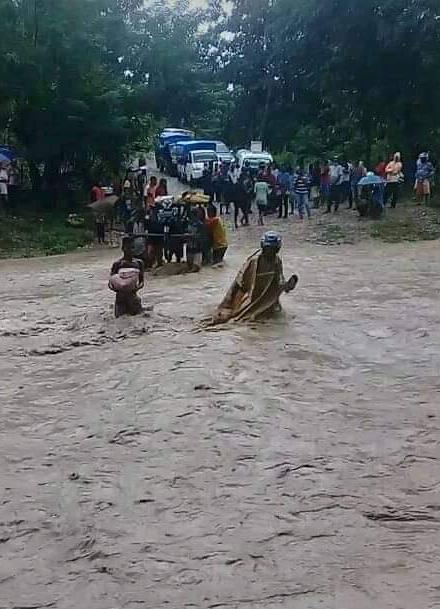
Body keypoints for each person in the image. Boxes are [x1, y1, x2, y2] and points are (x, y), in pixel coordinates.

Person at [209, 231, 298, 325]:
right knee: (240, 319)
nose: (270, 252)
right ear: (263, 247)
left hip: (268, 299)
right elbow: (239, 283)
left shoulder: (277, 260)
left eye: (272, 250)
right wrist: (228, 305)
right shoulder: (254, 261)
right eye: (268, 249)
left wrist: (286, 286)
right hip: (252, 296)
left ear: (277, 249)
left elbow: (279, 280)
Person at [109, 236, 145, 318]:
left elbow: (142, 282)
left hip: (133, 296)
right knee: (119, 322)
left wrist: (136, 288)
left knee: (138, 321)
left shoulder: (139, 263)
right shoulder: (117, 264)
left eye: (132, 247)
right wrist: (118, 288)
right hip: (120, 298)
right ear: (122, 248)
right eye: (127, 248)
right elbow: (110, 283)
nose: (130, 250)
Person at [186, 208, 205, 272]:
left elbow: (202, 237)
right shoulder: (187, 223)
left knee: (195, 268)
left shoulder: (200, 225)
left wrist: (194, 236)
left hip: (197, 249)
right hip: (189, 247)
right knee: (189, 267)